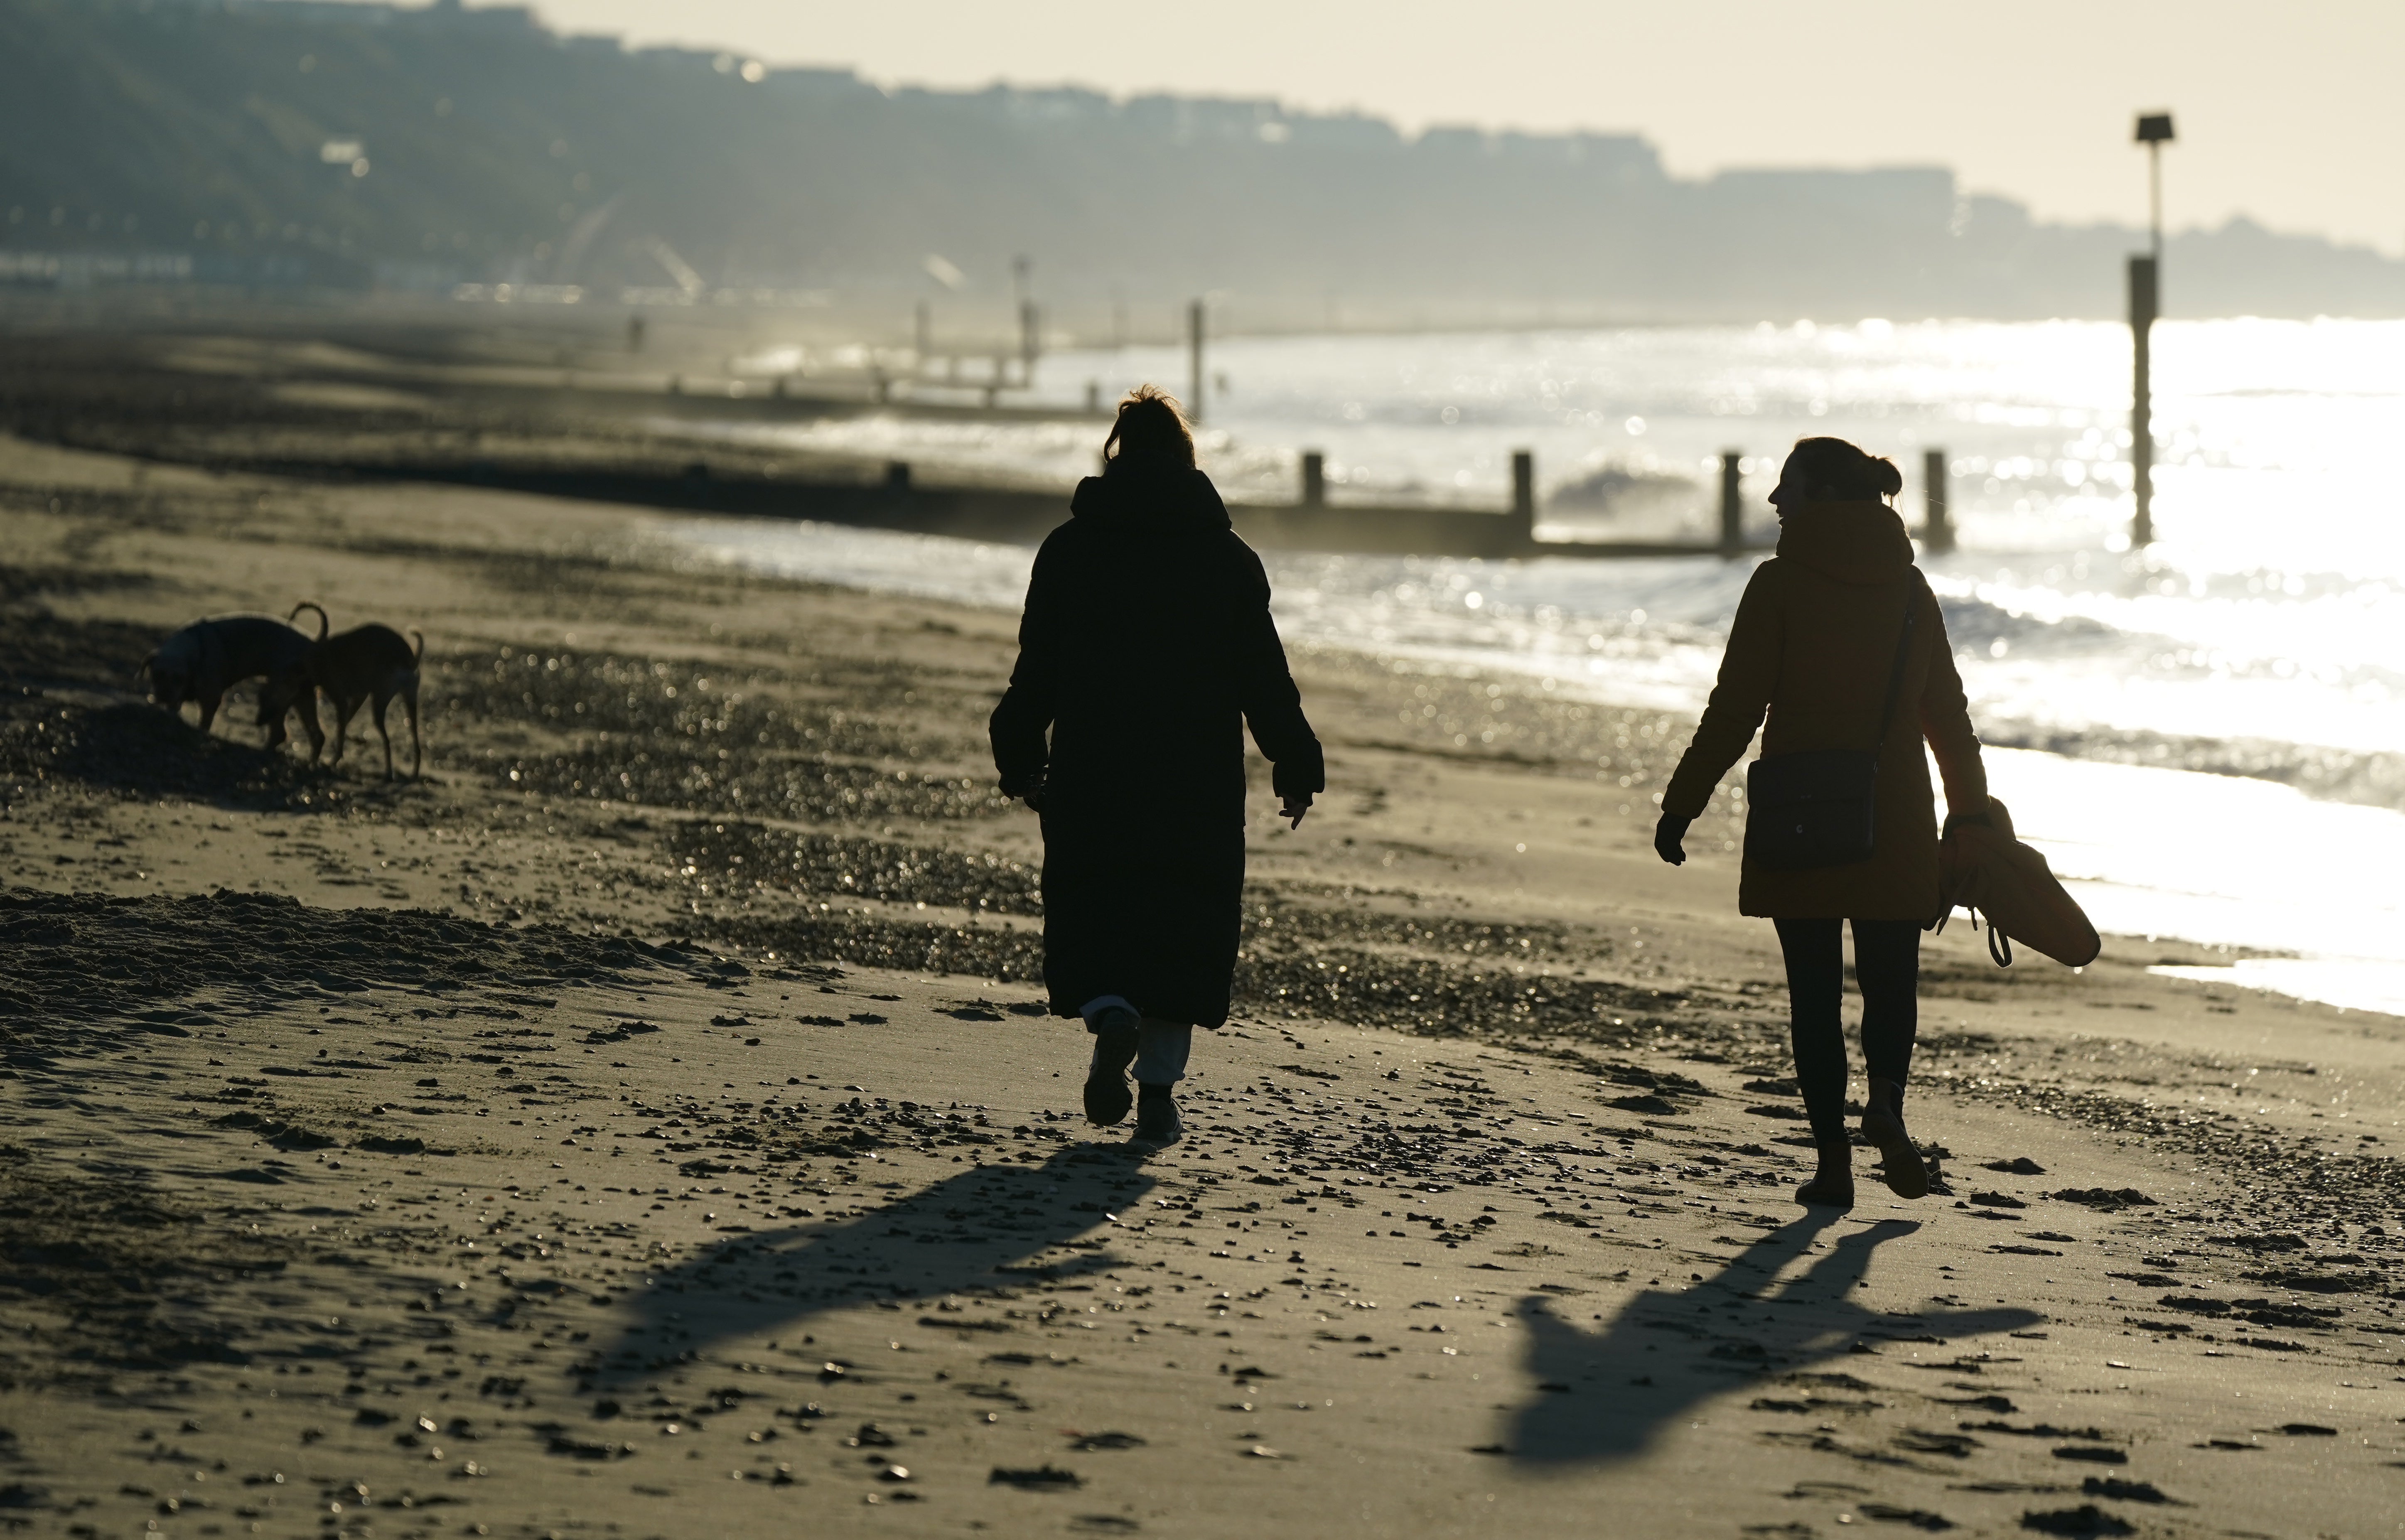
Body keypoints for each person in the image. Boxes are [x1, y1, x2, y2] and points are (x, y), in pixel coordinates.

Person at [1653, 436, 1988, 1206]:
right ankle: (1889, 1111)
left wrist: (1682, 803)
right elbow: (1948, 717)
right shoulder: (1910, 589)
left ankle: (1831, 1162)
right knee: (1890, 983)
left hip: (1800, 813)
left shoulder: (1777, 585)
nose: (1774, 501)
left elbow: (1734, 707)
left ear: (1823, 495)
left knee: (1813, 994)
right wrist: (1970, 812)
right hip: (1895, 812)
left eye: (1787, 487)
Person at [990, 386, 1324, 1147]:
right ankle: (1161, 1097)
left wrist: (1019, 755)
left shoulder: (1069, 549)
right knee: (1184, 925)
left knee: (1096, 905)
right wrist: (1296, 762)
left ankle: (1111, 1016)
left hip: (1094, 763)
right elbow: (1263, 681)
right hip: (1195, 776)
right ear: (1186, 458)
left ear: (1116, 453)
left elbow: (1035, 670)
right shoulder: (1226, 558)